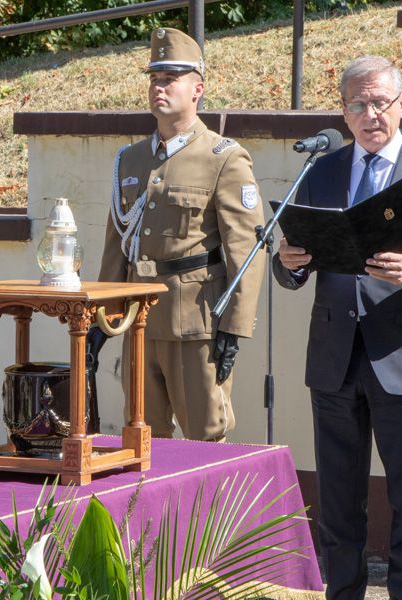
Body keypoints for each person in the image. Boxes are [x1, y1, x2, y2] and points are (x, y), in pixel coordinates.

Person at [272, 55, 402, 600]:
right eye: (358, 105)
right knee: (338, 511)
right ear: (344, 114)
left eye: (381, 102)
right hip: (335, 362)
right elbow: (293, 263)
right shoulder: (320, 172)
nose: (371, 114)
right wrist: (289, 264)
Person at [94, 27, 265, 442]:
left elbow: (247, 250)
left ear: (197, 89)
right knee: (140, 438)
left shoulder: (222, 157)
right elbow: (118, 245)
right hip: (138, 321)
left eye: (170, 78)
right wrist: (101, 319)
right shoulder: (131, 158)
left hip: (195, 323)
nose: (159, 87)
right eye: (154, 78)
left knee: (206, 438)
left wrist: (234, 329)